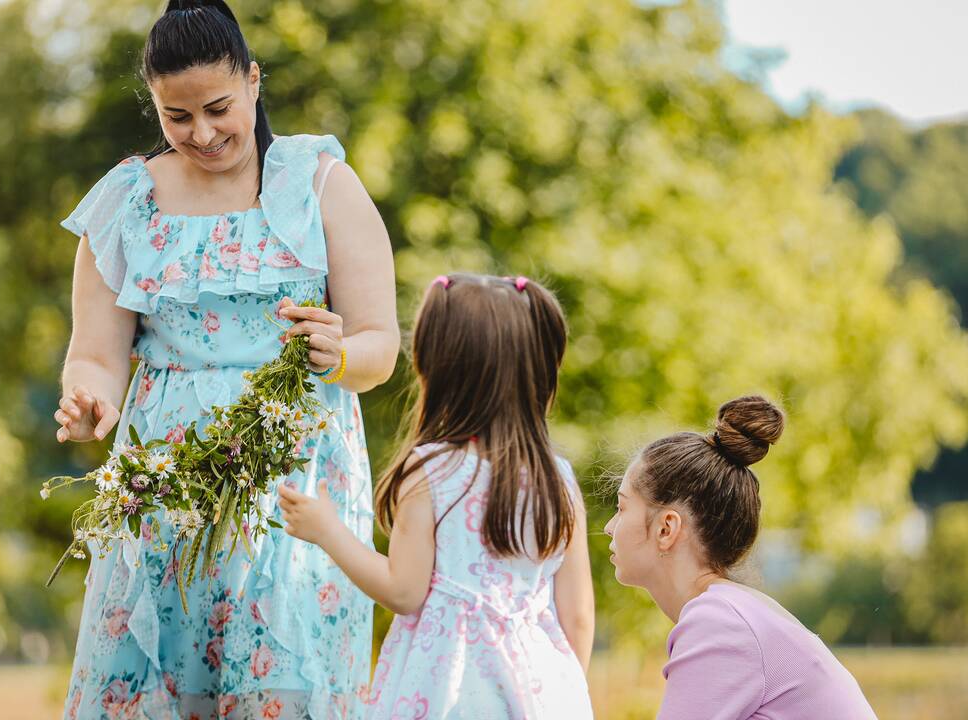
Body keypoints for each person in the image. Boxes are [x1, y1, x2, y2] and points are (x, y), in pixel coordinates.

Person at [52, 2, 398, 717]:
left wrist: (338, 353)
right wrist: (89, 398)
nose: (202, 134)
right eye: (177, 118)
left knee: (279, 683)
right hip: (165, 487)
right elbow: (94, 353)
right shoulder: (126, 201)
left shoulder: (320, 182)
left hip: (294, 486)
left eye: (217, 108)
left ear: (253, 81)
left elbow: (380, 347)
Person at [279, 273, 596, 719]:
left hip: (447, 687)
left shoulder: (433, 471)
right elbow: (578, 615)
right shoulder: (558, 478)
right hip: (539, 690)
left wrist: (328, 531)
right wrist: (562, 691)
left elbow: (403, 590)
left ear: (441, 370)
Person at [604, 396, 878, 719]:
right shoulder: (732, 613)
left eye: (621, 508)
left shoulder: (718, 623)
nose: (609, 527)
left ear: (667, 528)